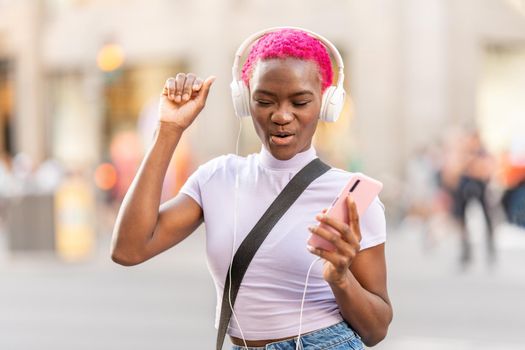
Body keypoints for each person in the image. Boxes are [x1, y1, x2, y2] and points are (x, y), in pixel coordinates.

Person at [111, 28, 392, 349]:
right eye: (264, 100)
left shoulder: (351, 197)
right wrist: (169, 130)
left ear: (327, 103)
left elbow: (376, 330)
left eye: (300, 101)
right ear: (244, 101)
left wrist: (341, 277)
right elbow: (128, 250)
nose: (282, 115)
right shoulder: (217, 177)